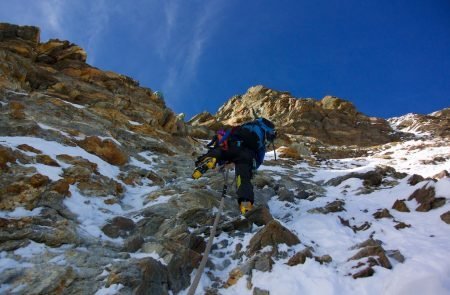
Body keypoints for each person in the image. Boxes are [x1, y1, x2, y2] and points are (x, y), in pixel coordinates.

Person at [192, 117, 276, 214]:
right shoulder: (261, 137)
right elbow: (259, 158)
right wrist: (252, 168)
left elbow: (224, 139)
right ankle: (245, 203)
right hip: (247, 155)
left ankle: (209, 159)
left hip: (232, 146)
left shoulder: (243, 127)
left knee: (218, 153)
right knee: (243, 178)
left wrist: (220, 154)